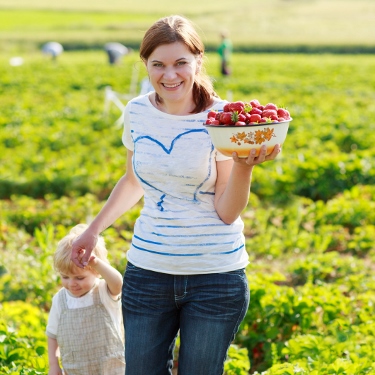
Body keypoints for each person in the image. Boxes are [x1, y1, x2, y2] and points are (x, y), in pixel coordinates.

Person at [71, 15, 281, 375]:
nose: (170, 75)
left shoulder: (224, 118)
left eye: (181, 63)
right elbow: (132, 181)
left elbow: (226, 212)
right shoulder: (137, 111)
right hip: (148, 273)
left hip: (215, 277)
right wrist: (93, 230)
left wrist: (243, 165)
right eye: (159, 65)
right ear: (146, 65)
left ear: (198, 61)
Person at [46, 224, 125, 375]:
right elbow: (52, 335)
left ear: (96, 272)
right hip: (76, 369)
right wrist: (53, 365)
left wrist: (95, 262)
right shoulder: (60, 300)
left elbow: (118, 283)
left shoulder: (104, 291)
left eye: (79, 278)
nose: (71, 283)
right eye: (65, 277)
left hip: (110, 368)